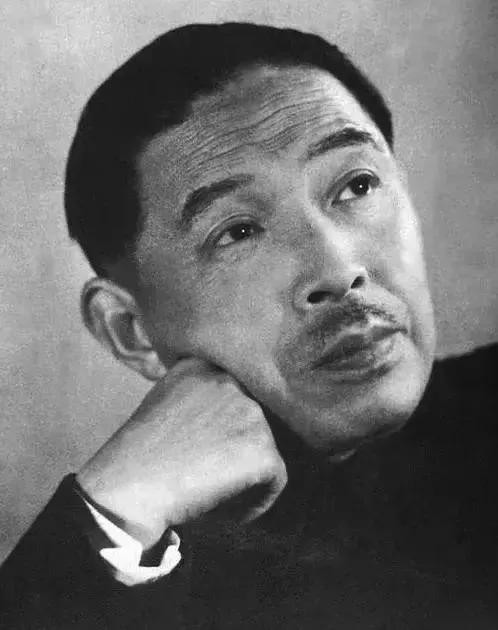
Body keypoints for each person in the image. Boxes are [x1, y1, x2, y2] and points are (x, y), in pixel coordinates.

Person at [1, 22, 497, 629]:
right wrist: (112, 512)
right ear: (130, 330)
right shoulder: (135, 575)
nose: (338, 270)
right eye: (237, 232)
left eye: (357, 185)